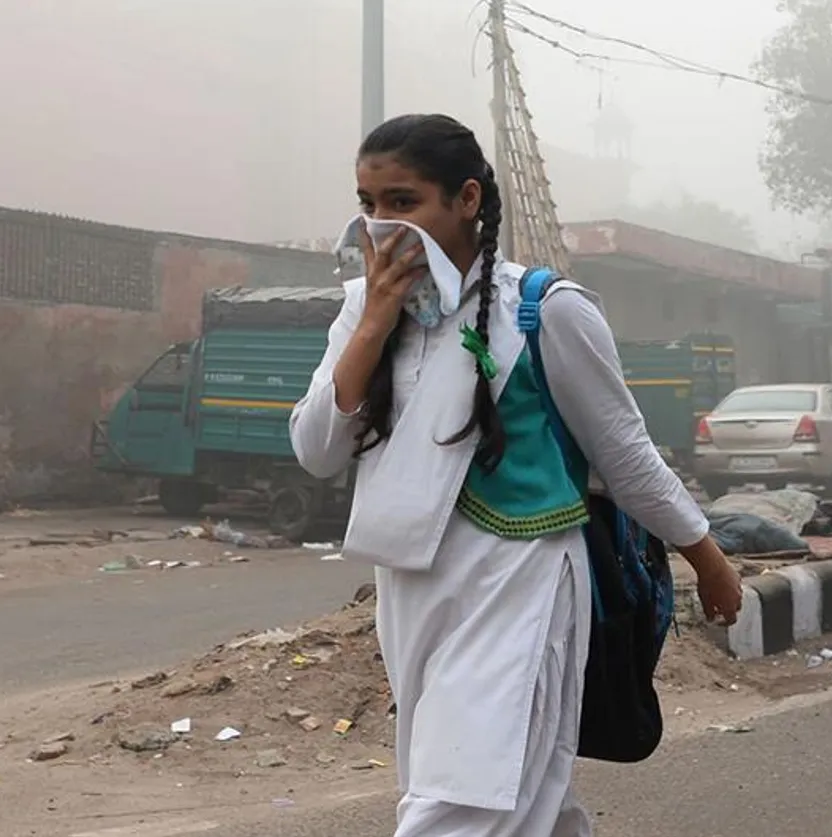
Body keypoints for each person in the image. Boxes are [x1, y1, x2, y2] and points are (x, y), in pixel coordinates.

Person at [290, 113, 742, 837]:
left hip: (521, 580)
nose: (381, 226)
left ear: (467, 199)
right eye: (369, 204)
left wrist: (706, 557)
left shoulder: (546, 311)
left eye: (404, 203)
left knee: (463, 801)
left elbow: (626, 454)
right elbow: (316, 449)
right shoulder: (361, 310)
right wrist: (374, 320)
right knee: (515, 795)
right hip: (410, 584)